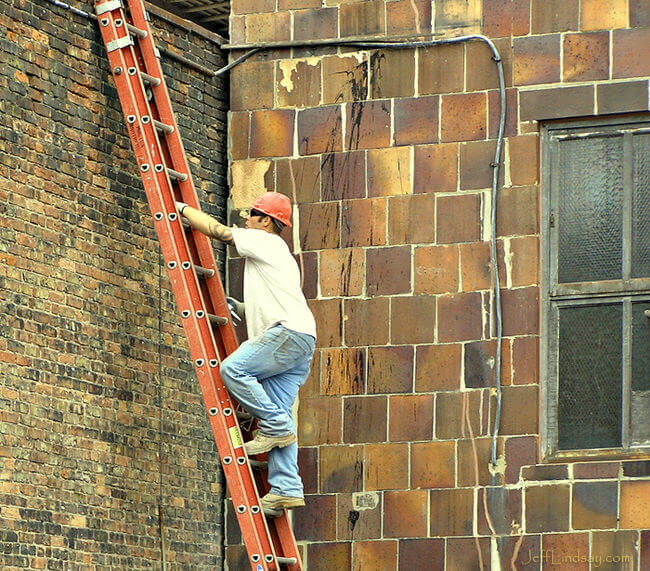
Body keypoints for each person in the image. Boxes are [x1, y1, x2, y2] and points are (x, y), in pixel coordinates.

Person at [176, 192, 316, 512]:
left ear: (266, 221)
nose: (246, 219)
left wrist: (181, 209)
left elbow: (219, 232)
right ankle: (286, 488)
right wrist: (238, 306)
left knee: (233, 370)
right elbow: (272, 300)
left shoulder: (264, 241)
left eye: (252, 214)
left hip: (288, 335)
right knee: (279, 411)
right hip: (298, 339)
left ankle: (275, 427)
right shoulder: (275, 253)